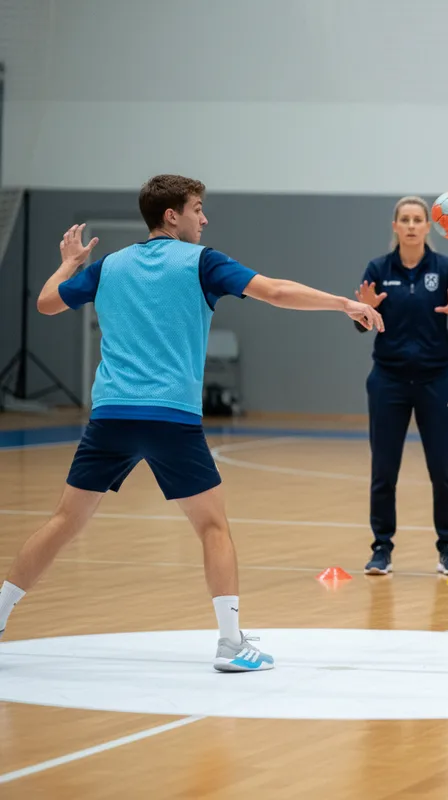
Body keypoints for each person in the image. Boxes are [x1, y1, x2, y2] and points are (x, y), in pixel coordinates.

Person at [0, 174, 384, 670]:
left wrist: (69, 264)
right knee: (212, 526)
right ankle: (231, 645)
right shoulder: (203, 262)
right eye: (197, 208)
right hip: (171, 420)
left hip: (111, 416)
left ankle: (1, 611)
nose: (204, 218)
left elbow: (47, 303)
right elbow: (276, 291)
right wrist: (343, 302)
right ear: (171, 215)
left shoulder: (110, 265)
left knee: (64, 522)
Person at [354, 196, 448, 576]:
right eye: (404, 219)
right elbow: (360, 324)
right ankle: (381, 549)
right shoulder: (378, 268)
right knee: (383, 469)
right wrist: (365, 310)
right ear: (395, 226)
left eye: (417, 219)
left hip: (436, 382)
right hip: (387, 381)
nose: (410, 225)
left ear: (427, 226)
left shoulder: (445, 268)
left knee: (443, 469)